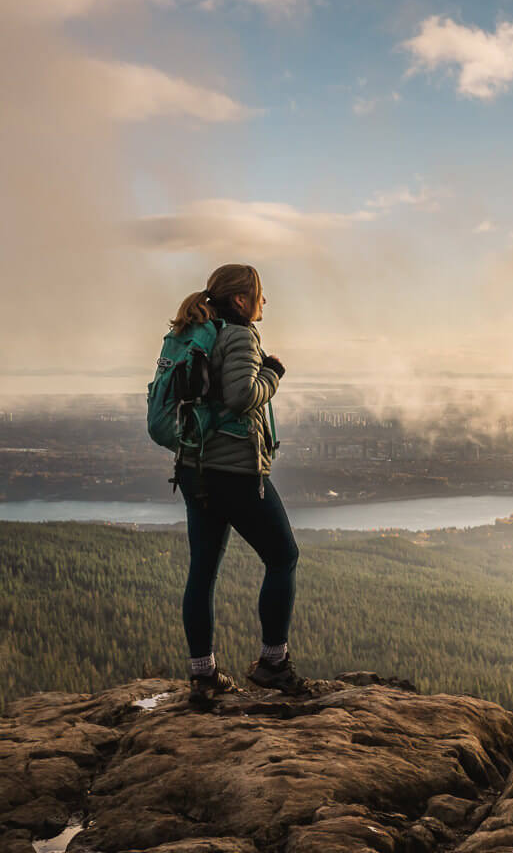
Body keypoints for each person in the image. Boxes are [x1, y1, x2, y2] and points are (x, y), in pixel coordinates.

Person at [165, 263, 309, 702]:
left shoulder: (201, 333)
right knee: (283, 557)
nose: (265, 302)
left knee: (203, 572)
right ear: (242, 301)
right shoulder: (241, 335)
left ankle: (202, 675)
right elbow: (242, 396)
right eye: (260, 295)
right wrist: (273, 374)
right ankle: (272, 663)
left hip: (195, 469)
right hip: (236, 473)